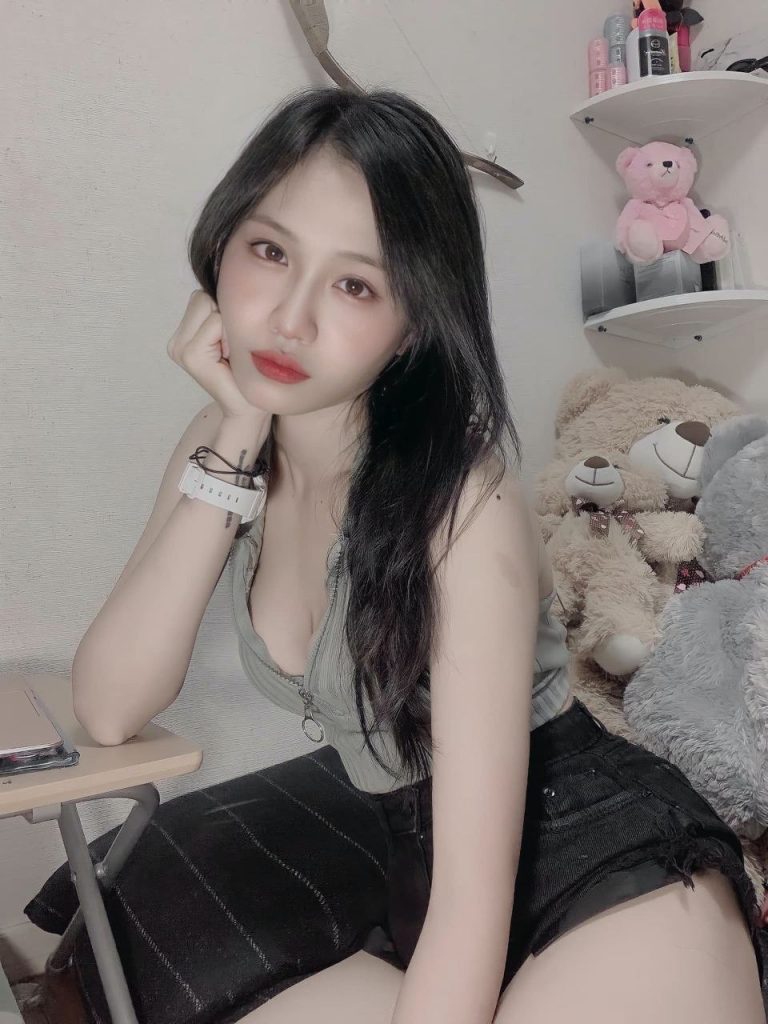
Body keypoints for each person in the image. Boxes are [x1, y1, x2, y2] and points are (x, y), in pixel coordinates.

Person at [72, 87, 766, 1023]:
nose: (289, 319)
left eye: (356, 285)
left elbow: (473, 901)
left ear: (413, 322)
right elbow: (110, 707)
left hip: (589, 853)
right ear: (221, 244)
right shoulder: (220, 444)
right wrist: (236, 431)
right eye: (271, 252)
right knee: (143, 909)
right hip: (408, 848)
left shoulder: (460, 504)